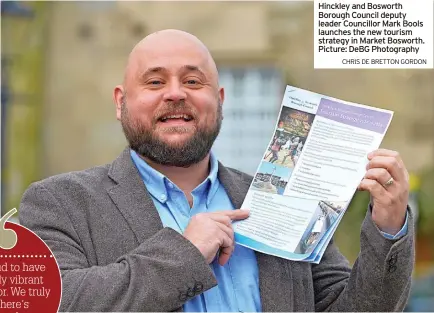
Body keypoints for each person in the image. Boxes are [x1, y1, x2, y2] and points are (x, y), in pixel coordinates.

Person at [18, 29, 414, 312]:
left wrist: (388, 226)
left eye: (193, 80)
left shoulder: (282, 200)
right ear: (121, 102)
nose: (176, 92)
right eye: (155, 82)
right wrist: (185, 252)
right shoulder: (59, 202)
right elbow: (50, 302)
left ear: (219, 100)